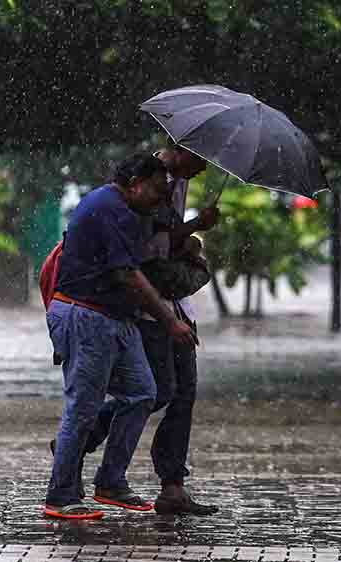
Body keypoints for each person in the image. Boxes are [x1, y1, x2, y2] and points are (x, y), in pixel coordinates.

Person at [44, 153, 196, 520]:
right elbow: (128, 274)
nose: (160, 200)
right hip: (86, 316)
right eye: (157, 192)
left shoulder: (129, 211)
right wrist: (169, 321)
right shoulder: (109, 207)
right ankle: (60, 497)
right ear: (135, 183)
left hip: (115, 318)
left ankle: (110, 481)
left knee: (145, 392)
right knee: (82, 406)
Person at [81, 140, 220, 516]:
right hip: (150, 306)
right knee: (156, 391)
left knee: (184, 393)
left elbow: (166, 245)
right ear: (180, 148)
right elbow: (144, 248)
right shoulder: (146, 182)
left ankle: (172, 487)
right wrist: (193, 228)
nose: (205, 168)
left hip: (176, 302)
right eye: (201, 158)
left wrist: (190, 237)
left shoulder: (179, 181)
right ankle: (83, 437)